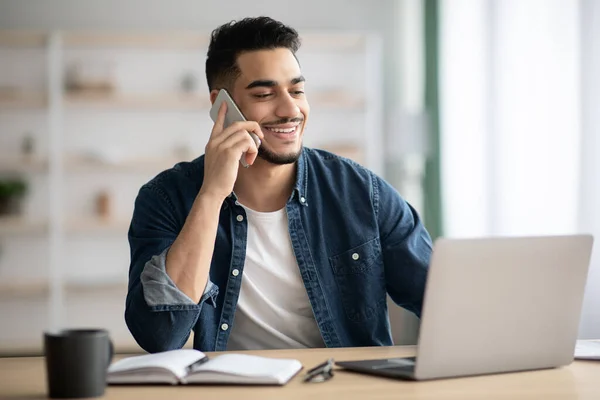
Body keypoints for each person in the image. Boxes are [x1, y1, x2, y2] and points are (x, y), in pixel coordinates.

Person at [125, 16, 432, 353]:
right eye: (265, 93)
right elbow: (160, 335)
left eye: (297, 90)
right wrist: (212, 195)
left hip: (343, 386)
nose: (290, 109)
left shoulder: (363, 192)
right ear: (222, 106)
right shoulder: (166, 198)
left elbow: (438, 300)